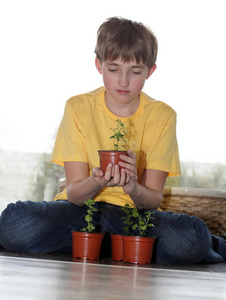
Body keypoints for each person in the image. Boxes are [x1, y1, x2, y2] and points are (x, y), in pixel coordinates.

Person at [0, 17, 225, 264]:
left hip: (133, 216)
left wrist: (133, 188)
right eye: (114, 69)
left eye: (135, 72)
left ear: (150, 71)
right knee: (14, 220)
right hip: (80, 213)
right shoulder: (78, 107)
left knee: (190, 237)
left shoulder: (163, 115)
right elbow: (74, 193)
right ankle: (114, 246)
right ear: (99, 65)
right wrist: (95, 181)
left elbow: (153, 199)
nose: (123, 81)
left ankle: (99, 245)